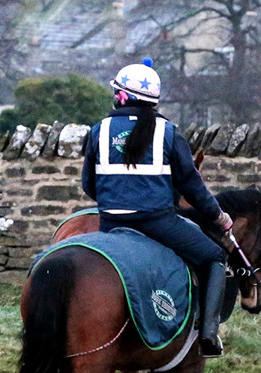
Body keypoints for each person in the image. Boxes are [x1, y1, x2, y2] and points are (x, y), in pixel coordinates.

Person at [81, 59, 233, 356]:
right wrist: (218, 216)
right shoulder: (168, 132)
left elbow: (89, 185)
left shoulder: (99, 130)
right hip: (158, 223)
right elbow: (191, 184)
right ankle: (208, 334)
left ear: (121, 96)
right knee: (215, 256)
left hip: (111, 223)